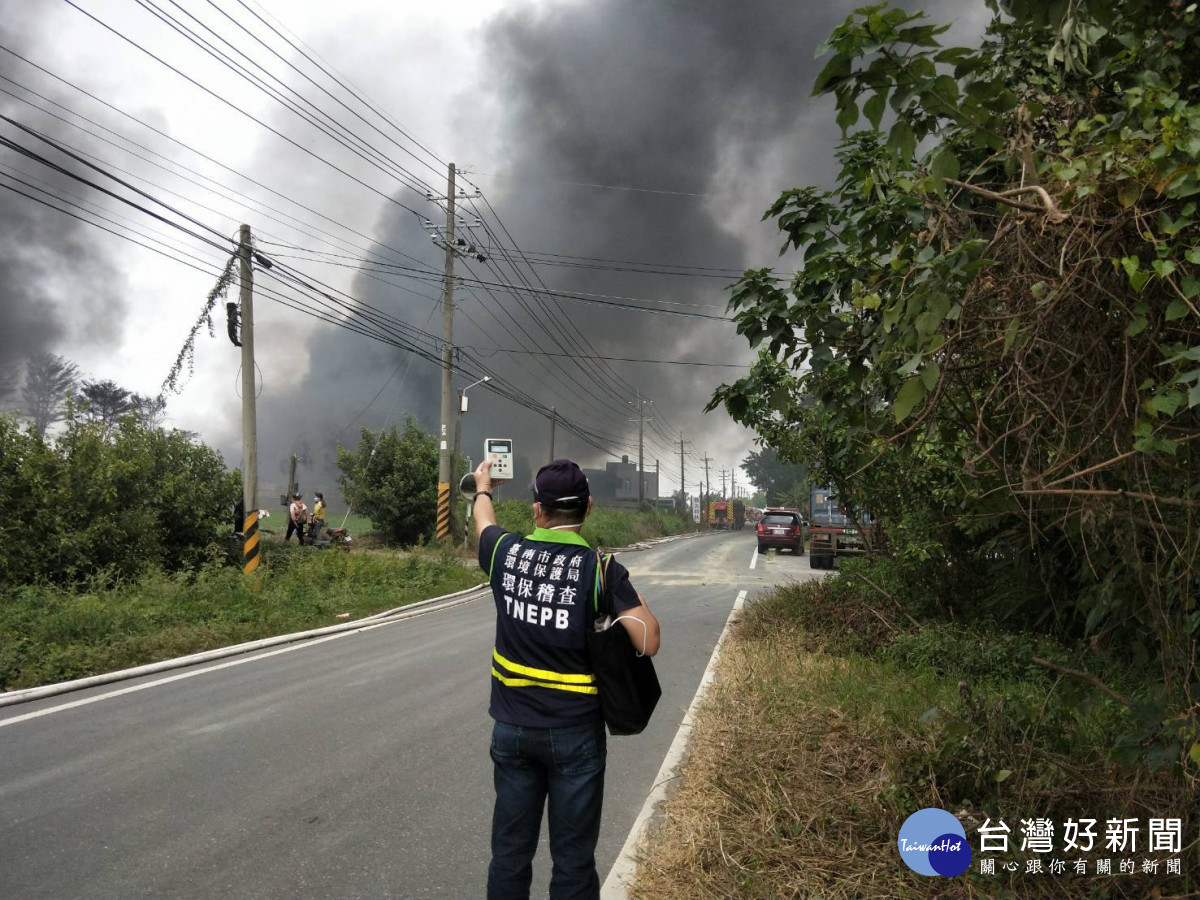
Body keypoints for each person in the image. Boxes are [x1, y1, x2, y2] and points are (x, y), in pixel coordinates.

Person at [472, 457, 660, 900]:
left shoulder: (506, 553)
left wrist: (483, 487)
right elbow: (648, 640)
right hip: (576, 736)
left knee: (509, 855)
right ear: (589, 508)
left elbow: (483, 523)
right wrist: (626, 596)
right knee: (573, 860)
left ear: (536, 509)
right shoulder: (601, 569)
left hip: (512, 731)